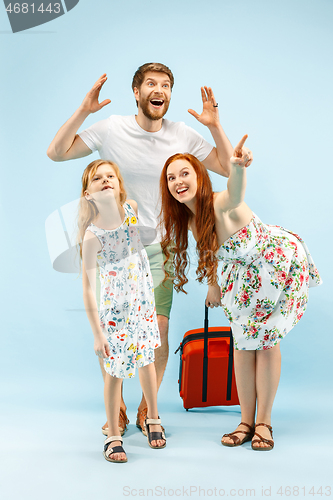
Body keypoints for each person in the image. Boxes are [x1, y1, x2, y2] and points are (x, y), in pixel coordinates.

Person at [47, 62, 237, 435]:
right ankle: (115, 408)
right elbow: (56, 152)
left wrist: (214, 125)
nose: (159, 89)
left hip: (160, 247)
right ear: (137, 92)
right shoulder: (112, 128)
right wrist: (84, 110)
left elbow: (230, 169)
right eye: (151, 83)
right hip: (114, 249)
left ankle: (148, 410)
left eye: (166, 85)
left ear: (169, 94)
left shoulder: (182, 134)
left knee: (159, 331)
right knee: (112, 330)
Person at [159, 136, 322, 451]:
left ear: (199, 177)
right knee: (244, 345)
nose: (178, 181)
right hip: (243, 280)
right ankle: (246, 421)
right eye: (171, 177)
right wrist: (213, 283)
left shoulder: (220, 201)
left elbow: (236, 193)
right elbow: (213, 250)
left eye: (184, 173)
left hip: (275, 266)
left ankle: (264, 422)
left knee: (268, 342)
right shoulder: (192, 220)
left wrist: (236, 164)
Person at [79, 159, 166, 463]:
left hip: (142, 308)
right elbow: (88, 287)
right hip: (115, 316)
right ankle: (114, 434)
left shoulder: (131, 209)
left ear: (118, 184)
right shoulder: (92, 236)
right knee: (114, 373)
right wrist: (97, 333)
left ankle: (153, 417)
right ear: (88, 194)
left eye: (110, 176)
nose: (106, 180)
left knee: (147, 362)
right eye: (97, 179)